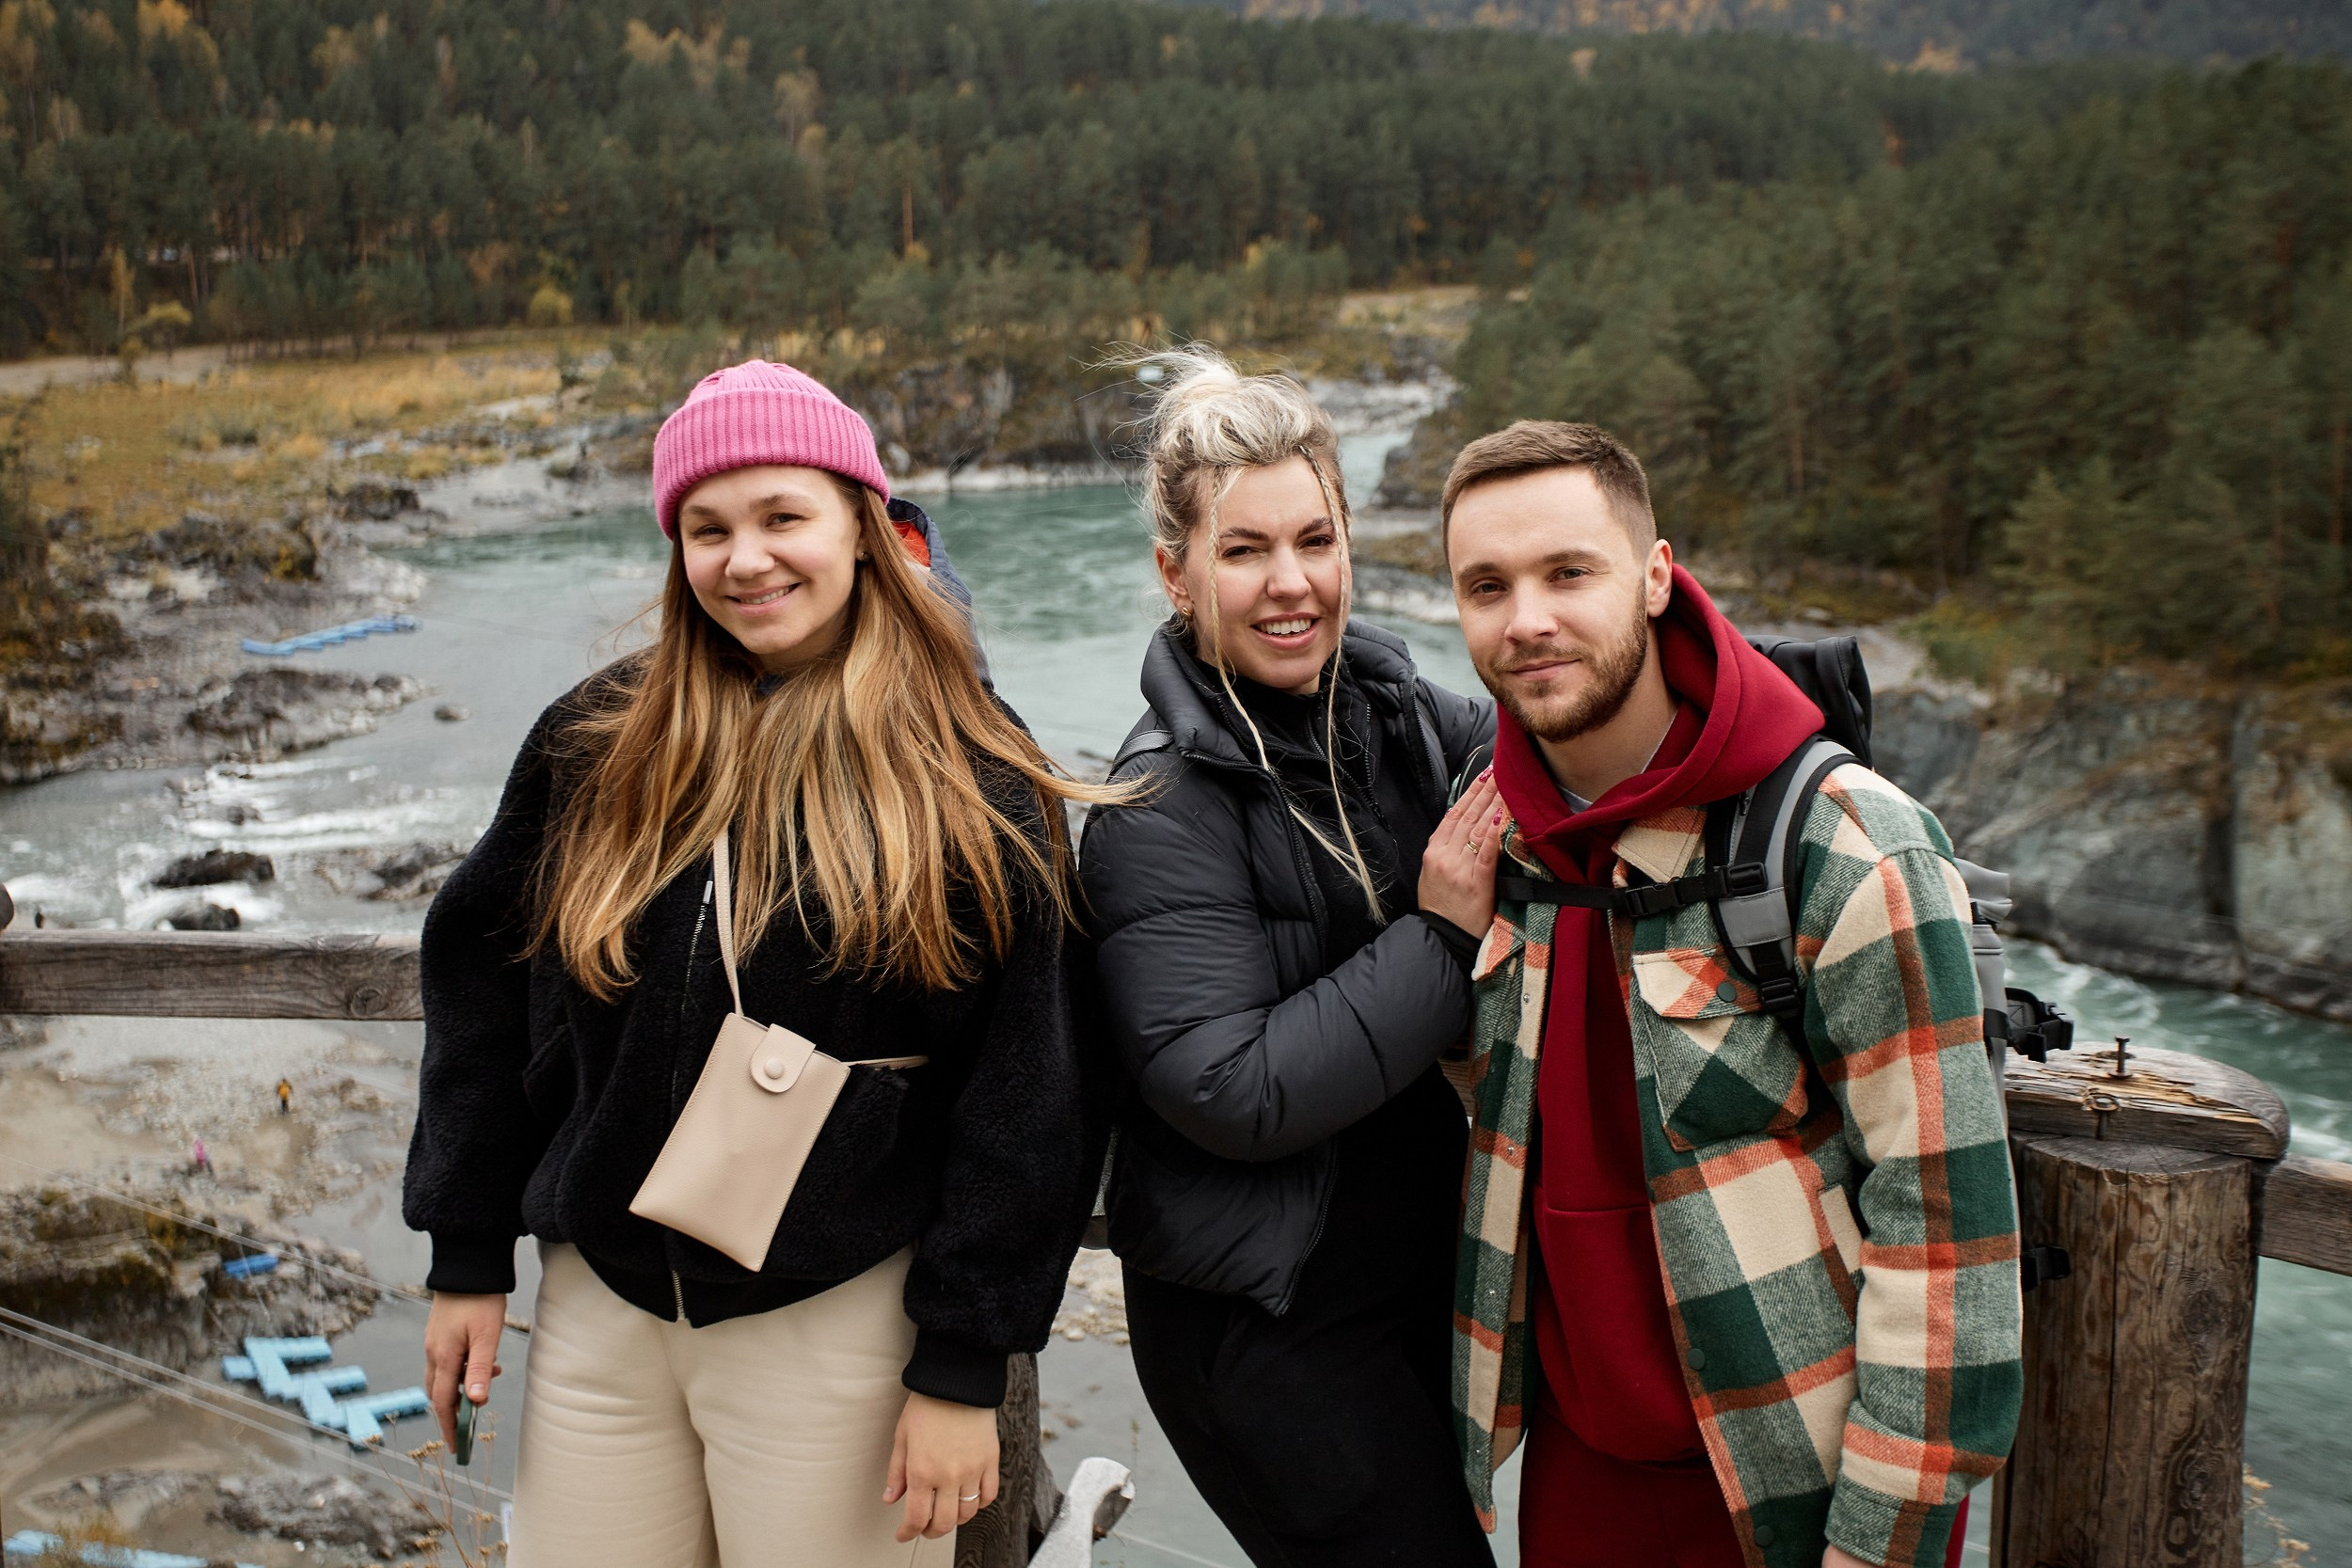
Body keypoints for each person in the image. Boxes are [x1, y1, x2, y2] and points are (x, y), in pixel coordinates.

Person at [402, 361, 1111, 1567]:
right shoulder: (599, 738)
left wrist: (960, 1361)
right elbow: (480, 975)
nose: (747, 558)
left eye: (784, 516)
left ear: (863, 526)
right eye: (707, 527)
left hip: (836, 1323)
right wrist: (466, 1250)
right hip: (599, 1311)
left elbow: (1031, 1084)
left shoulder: (970, 770)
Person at [1438, 421, 2021, 1568]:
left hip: (1801, 1489)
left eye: (1568, 571)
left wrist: (1879, 1541)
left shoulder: (1845, 844)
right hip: (1576, 1465)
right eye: (1485, 586)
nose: (1526, 620)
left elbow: (1945, 1229)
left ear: (1656, 575)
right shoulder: (1487, 830)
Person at [1079, 347, 1500, 1568]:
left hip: (1409, 1275)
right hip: (1265, 1325)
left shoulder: (1394, 710)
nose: (1292, 583)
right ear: (1176, 569)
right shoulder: (1157, 803)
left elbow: (1555, 748)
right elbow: (1231, 1085)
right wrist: (1441, 934)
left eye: (1315, 541)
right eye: (1245, 549)